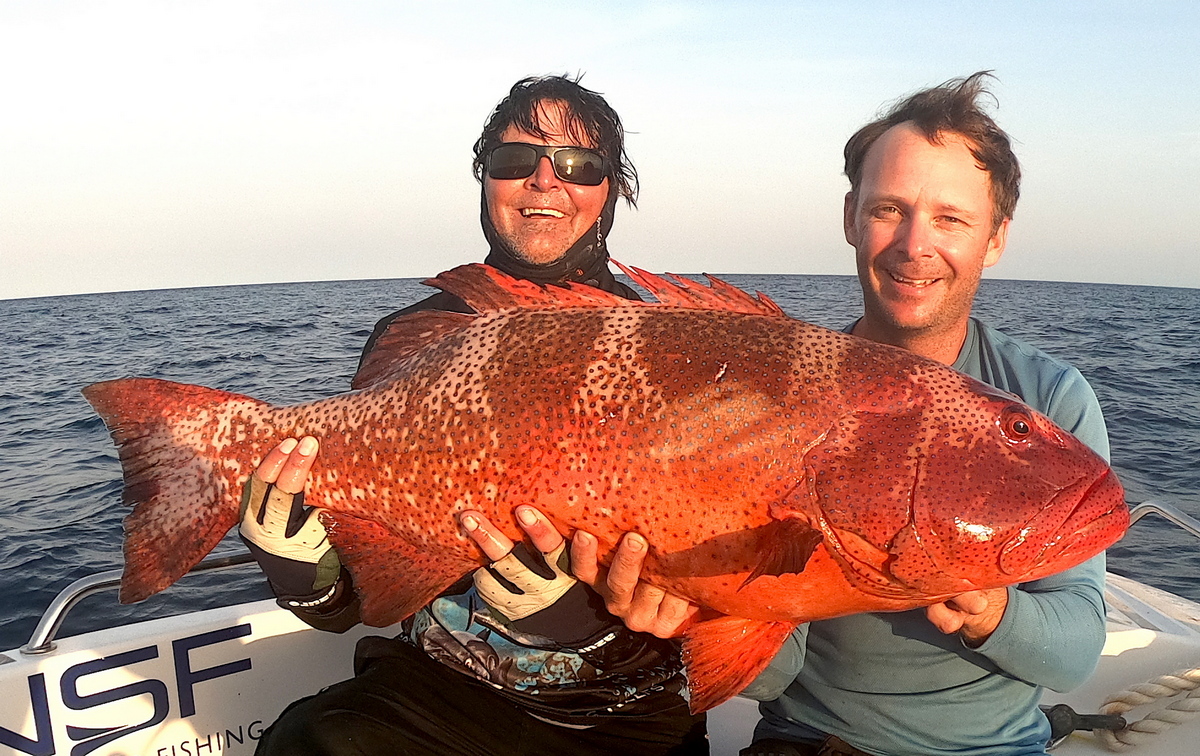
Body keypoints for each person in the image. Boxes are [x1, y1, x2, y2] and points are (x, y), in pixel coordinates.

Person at [239, 75, 708, 755]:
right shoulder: (416, 338)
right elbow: (359, 602)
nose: (545, 182)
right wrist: (301, 571)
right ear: (486, 179)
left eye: (579, 165)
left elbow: (720, 569)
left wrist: (585, 622)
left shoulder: (666, 349)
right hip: (446, 690)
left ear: (612, 189)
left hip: (625, 715)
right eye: (517, 161)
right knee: (309, 743)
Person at [736, 72, 1111, 756]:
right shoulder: (785, 393)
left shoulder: (1048, 399)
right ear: (851, 216)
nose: (915, 245)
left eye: (951, 218)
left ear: (994, 238)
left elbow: (1074, 654)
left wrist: (989, 611)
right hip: (807, 738)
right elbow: (777, 670)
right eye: (889, 209)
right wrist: (698, 606)